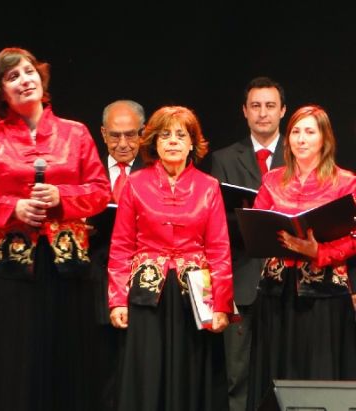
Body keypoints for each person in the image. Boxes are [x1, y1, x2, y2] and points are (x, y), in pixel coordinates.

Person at [0, 47, 111, 411]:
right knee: (11, 364)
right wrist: (14, 207)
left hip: (68, 268)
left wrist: (61, 196)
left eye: (29, 72)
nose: (25, 80)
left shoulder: (75, 133)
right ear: (1, 91)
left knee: (67, 362)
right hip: (9, 271)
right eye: (13, 77)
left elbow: (100, 192)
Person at [108, 105, 234, 411]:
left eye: (181, 135)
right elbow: (121, 245)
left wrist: (221, 305)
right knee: (147, 373)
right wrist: (117, 300)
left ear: (192, 143)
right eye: (165, 135)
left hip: (196, 292)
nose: (173, 141)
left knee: (193, 373)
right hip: (147, 292)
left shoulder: (209, 187)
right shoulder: (135, 183)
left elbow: (219, 248)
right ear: (154, 142)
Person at [246, 105, 356, 410]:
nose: (301, 139)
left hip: (324, 295)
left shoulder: (346, 182)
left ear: (325, 138)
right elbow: (256, 224)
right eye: (295, 131)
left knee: (318, 372)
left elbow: (354, 237)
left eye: (310, 132)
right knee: (275, 372)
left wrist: (319, 252)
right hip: (276, 291)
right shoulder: (272, 180)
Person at [209, 76, 286, 411]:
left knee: (282, 372)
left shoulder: (299, 152)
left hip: (285, 281)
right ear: (244, 111)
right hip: (241, 277)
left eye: (270, 106)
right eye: (255, 106)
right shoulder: (224, 158)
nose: (263, 113)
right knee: (237, 375)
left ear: (283, 110)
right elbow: (216, 221)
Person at [88, 99, 145, 411]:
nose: (123, 143)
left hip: (143, 281)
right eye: (114, 135)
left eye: (130, 135)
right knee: (100, 368)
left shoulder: (155, 172)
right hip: (95, 279)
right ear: (102, 134)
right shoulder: (88, 172)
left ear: (143, 133)